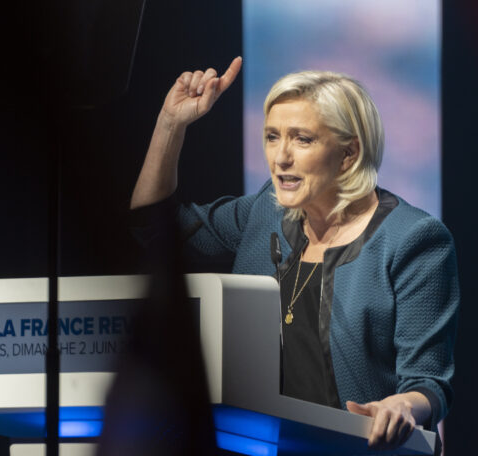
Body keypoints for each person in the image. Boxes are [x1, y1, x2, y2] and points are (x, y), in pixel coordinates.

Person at [130, 57, 459, 449]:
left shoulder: (414, 239)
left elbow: (428, 383)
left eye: (302, 139)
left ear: (349, 154)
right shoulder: (263, 213)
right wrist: (171, 125)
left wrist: (402, 405)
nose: (280, 157)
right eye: (272, 137)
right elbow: (152, 228)